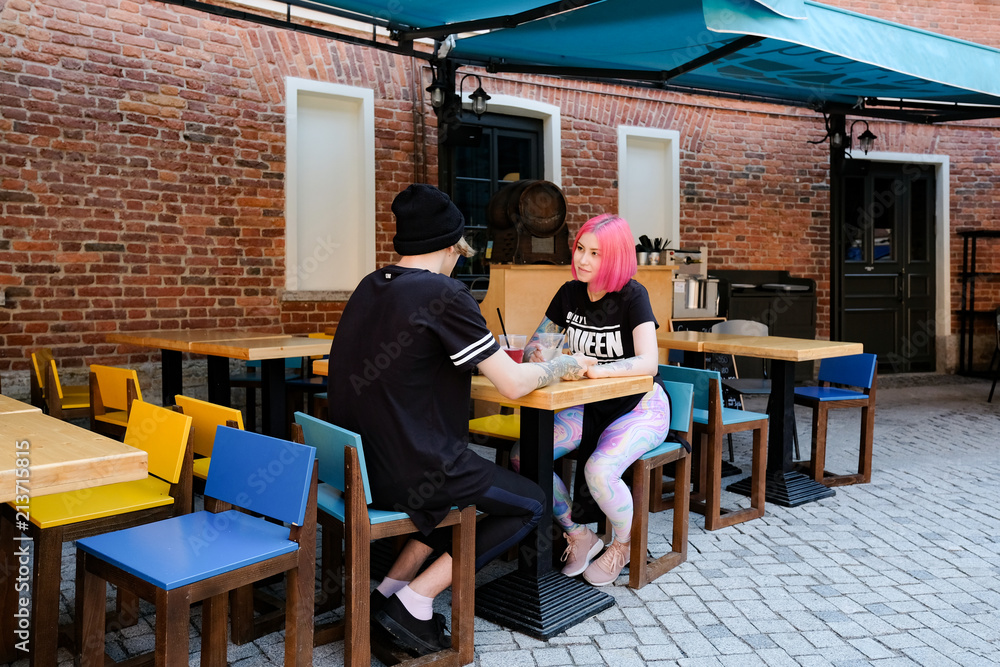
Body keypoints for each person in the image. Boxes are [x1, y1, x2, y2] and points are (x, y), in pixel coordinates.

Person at [327, 184, 596, 656]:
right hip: (416, 470)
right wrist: (561, 366)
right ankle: (416, 601)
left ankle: (387, 592)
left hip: (363, 468)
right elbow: (512, 384)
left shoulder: (370, 285)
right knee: (530, 503)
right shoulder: (444, 293)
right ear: (453, 247)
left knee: (463, 497)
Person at [512, 213, 671, 586]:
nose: (583, 260)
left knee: (598, 472)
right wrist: (540, 353)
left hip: (640, 405)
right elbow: (539, 342)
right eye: (581, 249)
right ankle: (579, 532)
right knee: (526, 455)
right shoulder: (569, 293)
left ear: (614, 258)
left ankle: (622, 544)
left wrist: (600, 369)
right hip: (590, 404)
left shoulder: (633, 295)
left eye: (596, 253)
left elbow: (649, 362)